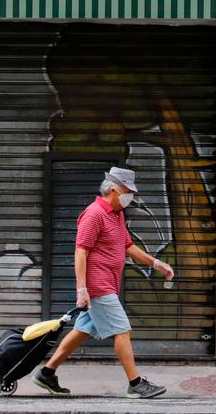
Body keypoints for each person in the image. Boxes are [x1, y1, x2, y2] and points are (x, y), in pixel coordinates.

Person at [33, 167, 175, 399]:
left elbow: (127, 247)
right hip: (98, 286)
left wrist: (157, 264)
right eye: (127, 191)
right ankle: (135, 383)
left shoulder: (116, 214)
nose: (131, 196)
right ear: (113, 189)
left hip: (108, 283)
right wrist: (82, 289)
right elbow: (81, 252)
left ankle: (47, 373)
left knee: (82, 330)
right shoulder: (94, 214)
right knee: (123, 330)